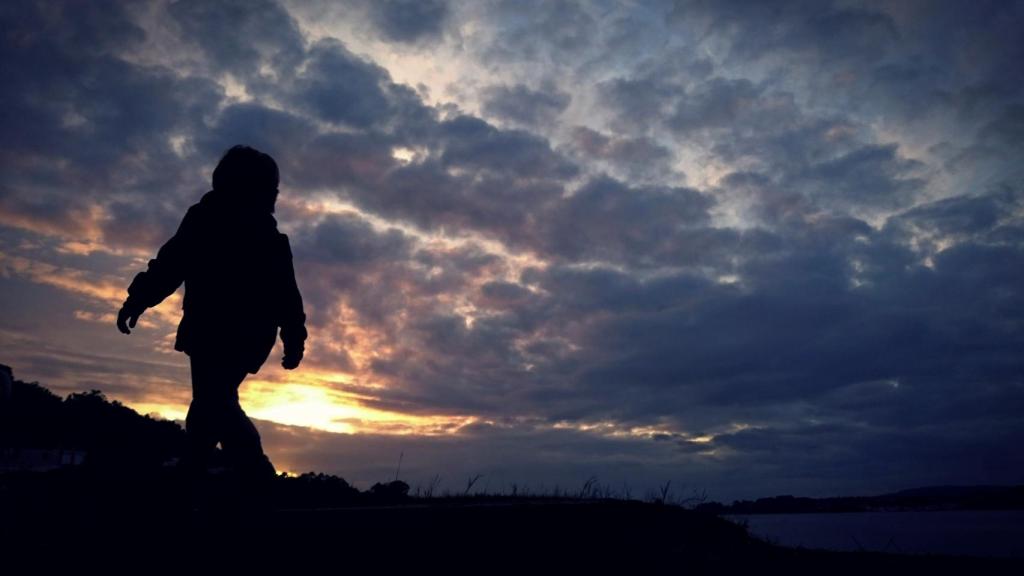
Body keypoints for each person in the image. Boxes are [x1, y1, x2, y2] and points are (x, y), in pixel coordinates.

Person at [116, 145, 307, 488]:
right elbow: (173, 263)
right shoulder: (210, 222)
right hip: (219, 332)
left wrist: (294, 336)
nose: (275, 197)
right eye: (270, 190)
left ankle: (250, 471)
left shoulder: (268, 238)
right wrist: (139, 298)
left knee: (215, 401)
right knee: (212, 403)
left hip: (229, 334)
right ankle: (201, 471)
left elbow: (287, 296)